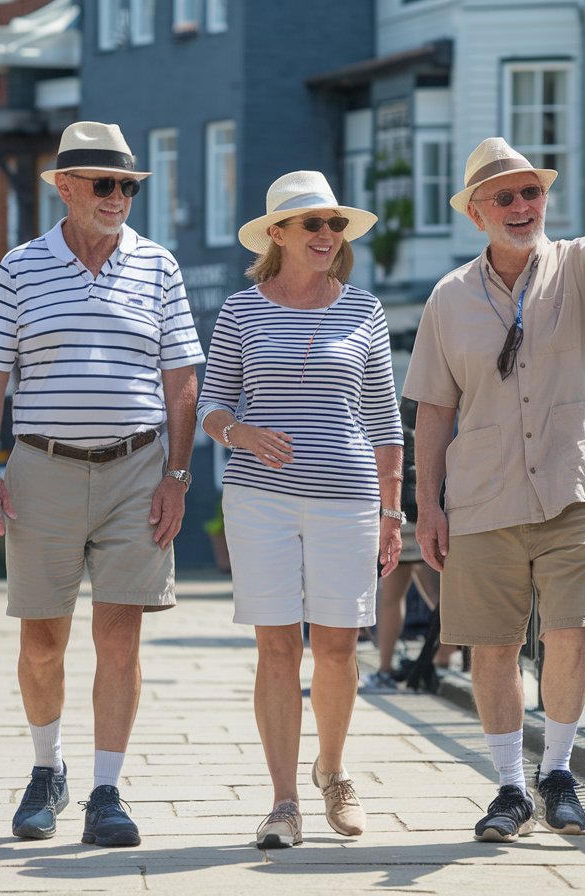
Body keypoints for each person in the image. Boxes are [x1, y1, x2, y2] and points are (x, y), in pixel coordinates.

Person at [403, 137, 585, 842]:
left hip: (573, 486)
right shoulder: (449, 297)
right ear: (477, 213)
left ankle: (560, 773)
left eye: (531, 193)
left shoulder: (578, 265)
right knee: (491, 647)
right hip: (484, 497)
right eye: (504, 197)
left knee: (571, 634)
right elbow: (433, 409)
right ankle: (510, 788)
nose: (521, 206)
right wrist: (428, 507)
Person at [0, 121, 204, 848]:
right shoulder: (21, 268)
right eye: (103, 184)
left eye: (127, 185)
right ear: (64, 188)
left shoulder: (159, 267)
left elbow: (183, 382)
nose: (118, 197)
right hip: (42, 467)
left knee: (120, 636)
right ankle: (48, 770)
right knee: (42, 637)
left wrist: (178, 476)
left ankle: (106, 790)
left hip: (138, 469)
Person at [196, 170, 403, 849]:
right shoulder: (241, 309)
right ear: (277, 234)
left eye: (335, 224)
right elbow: (211, 406)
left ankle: (333, 771)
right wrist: (241, 434)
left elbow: (384, 421)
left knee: (339, 646)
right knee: (277, 646)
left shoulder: (364, 311)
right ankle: (283, 802)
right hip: (259, 500)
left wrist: (393, 511)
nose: (326, 235)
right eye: (311, 224)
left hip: (348, 498)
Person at [363, 397, 455, 693]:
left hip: (400, 516)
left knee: (393, 595)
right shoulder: (441, 420)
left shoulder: (389, 423)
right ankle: (441, 657)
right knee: (440, 594)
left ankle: (386, 669)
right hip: (427, 513)